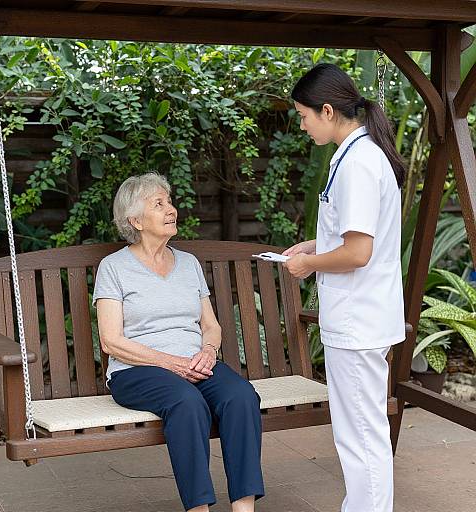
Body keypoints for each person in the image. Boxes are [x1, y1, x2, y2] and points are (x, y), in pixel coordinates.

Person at [93, 172, 264, 512]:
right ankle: (198, 507)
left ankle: (244, 508)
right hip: (137, 369)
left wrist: (208, 351)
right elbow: (111, 342)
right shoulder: (113, 268)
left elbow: (211, 325)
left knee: (242, 396)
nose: (171, 209)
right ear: (135, 220)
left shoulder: (188, 264)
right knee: (187, 403)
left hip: (194, 362)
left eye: (169, 201)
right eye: (159, 204)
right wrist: (170, 362)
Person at [283, 63, 406, 512]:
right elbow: (359, 233)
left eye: (303, 115)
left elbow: (358, 253)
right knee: (361, 432)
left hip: (357, 321)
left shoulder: (357, 162)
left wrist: (308, 264)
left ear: (329, 111)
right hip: (363, 317)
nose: (301, 124)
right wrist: (318, 243)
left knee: (360, 436)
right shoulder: (362, 155)